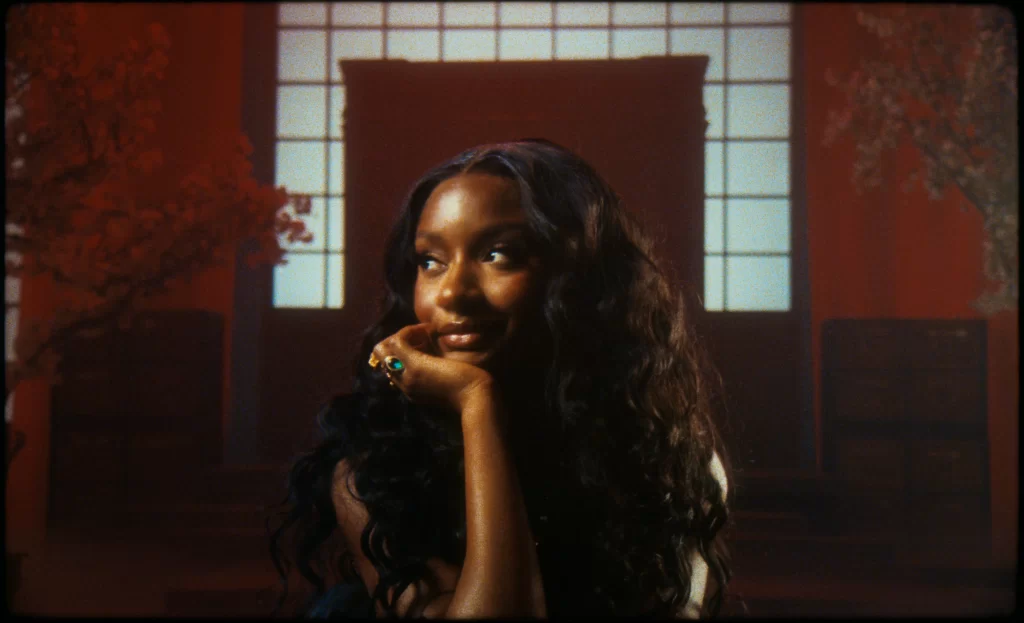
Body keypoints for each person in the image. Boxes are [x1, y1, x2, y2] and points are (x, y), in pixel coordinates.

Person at [268, 139, 733, 618]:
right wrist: (477, 401)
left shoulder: (669, 461)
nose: (452, 292)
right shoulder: (375, 471)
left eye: (498, 254)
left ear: (578, 278)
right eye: (430, 261)